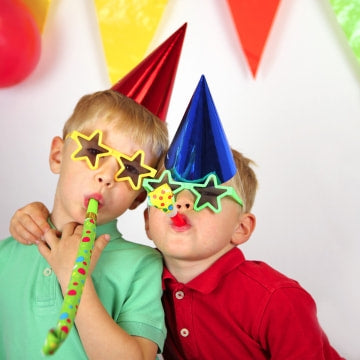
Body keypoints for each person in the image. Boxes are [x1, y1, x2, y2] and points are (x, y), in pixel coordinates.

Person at [8, 75, 344, 359]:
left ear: (242, 228)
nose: (180, 206)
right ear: (148, 216)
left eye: (206, 195)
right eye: (167, 194)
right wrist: (34, 219)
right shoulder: (164, 284)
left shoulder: (274, 298)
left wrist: (73, 282)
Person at [1, 23, 187, 360]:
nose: (106, 177)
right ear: (58, 155)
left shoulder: (142, 264)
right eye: (93, 153)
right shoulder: (7, 253)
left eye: (130, 170)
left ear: (139, 197)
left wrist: (76, 279)